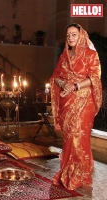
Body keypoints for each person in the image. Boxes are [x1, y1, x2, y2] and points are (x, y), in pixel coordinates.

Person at [50, 23, 102, 190]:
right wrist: (64, 83)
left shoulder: (90, 54)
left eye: (74, 34)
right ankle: (68, 171)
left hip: (84, 102)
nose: (70, 38)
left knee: (78, 137)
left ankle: (80, 175)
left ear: (81, 36)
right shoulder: (64, 56)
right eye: (68, 35)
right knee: (68, 139)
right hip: (67, 101)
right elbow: (55, 76)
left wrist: (76, 86)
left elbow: (95, 78)